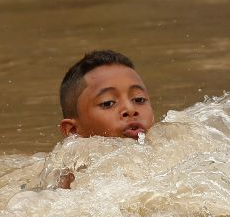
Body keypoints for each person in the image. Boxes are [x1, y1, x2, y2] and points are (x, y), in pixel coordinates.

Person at [56, 50, 155, 188]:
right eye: (108, 103)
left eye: (139, 99)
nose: (131, 109)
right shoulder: (73, 184)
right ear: (73, 130)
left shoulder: (173, 153)